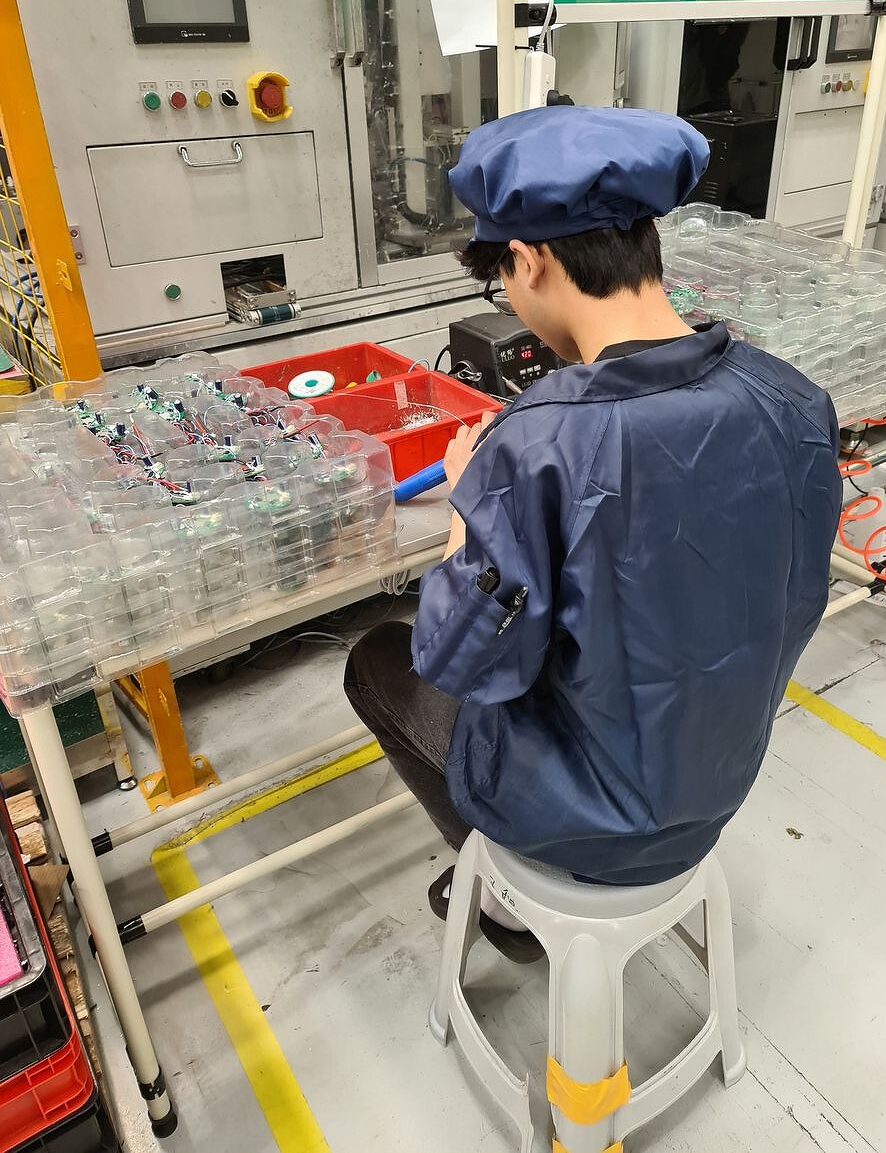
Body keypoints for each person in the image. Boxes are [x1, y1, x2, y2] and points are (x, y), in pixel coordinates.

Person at [344, 105, 842, 963]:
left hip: (582, 821)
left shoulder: (536, 444)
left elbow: (462, 661)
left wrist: (469, 509)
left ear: (529, 259)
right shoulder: (792, 397)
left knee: (377, 661)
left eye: (502, 278)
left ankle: (507, 897)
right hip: (719, 782)